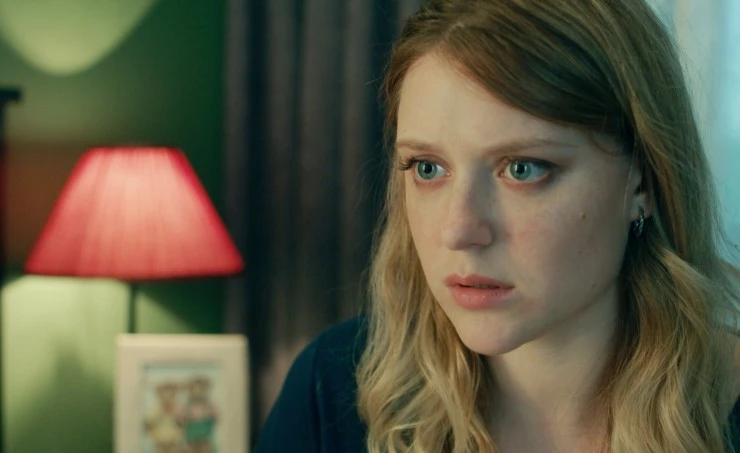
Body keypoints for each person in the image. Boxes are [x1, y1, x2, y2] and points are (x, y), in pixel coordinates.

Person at [254, 0, 740, 451]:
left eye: (523, 169)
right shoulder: (332, 391)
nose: (458, 230)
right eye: (428, 168)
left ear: (643, 182)